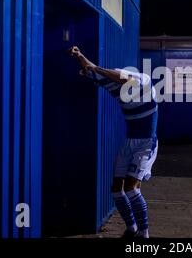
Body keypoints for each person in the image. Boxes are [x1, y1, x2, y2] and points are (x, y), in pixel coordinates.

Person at [68, 46, 158, 239]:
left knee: (132, 188)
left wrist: (98, 69)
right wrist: (80, 56)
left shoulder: (144, 81)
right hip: (129, 142)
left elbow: (117, 76)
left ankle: (144, 234)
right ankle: (131, 228)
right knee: (116, 189)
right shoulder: (118, 87)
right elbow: (92, 69)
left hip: (146, 143)